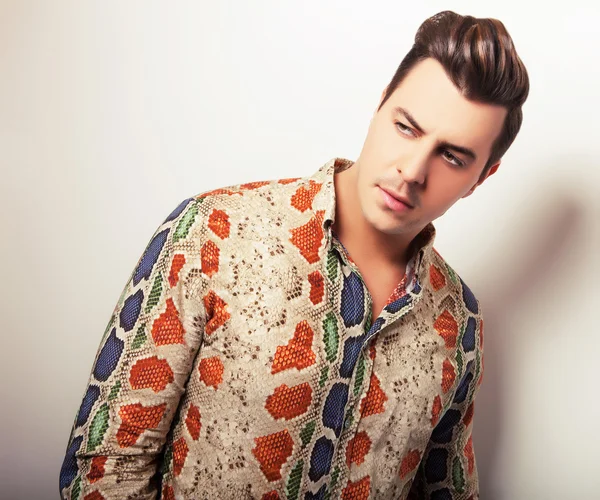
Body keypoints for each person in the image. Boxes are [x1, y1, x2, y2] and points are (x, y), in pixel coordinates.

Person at [59, 10, 529, 500]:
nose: (412, 170)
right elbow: (103, 467)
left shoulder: (460, 323)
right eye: (407, 127)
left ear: (482, 177)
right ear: (379, 106)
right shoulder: (215, 234)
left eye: (452, 157)